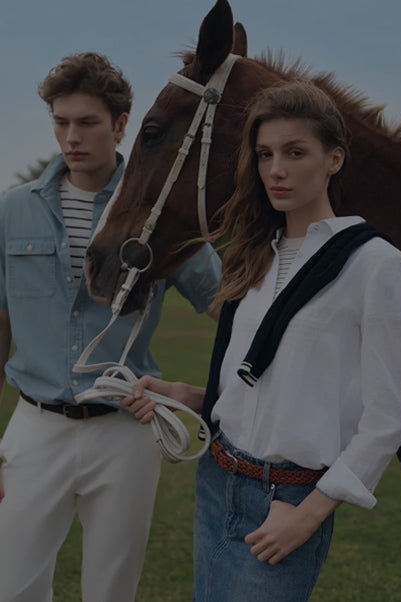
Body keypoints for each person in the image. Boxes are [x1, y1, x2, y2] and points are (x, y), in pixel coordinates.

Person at [122, 82, 401, 601]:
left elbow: (389, 415)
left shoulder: (374, 264)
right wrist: (188, 396)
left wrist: (310, 514)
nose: (276, 169)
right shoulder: (254, 255)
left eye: (295, 153)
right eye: (265, 154)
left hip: (288, 502)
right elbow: (268, 383)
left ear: (334, 159)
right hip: (217, 479)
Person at [0, 52, 221, 602]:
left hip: (127, 430)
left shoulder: (158, 214)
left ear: (121, 125)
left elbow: (230, 307)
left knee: (111, 592)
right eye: (61, 122)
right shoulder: (12, 211)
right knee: (13, 588)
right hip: (35, 427)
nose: (72, 137)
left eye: (87, 122)